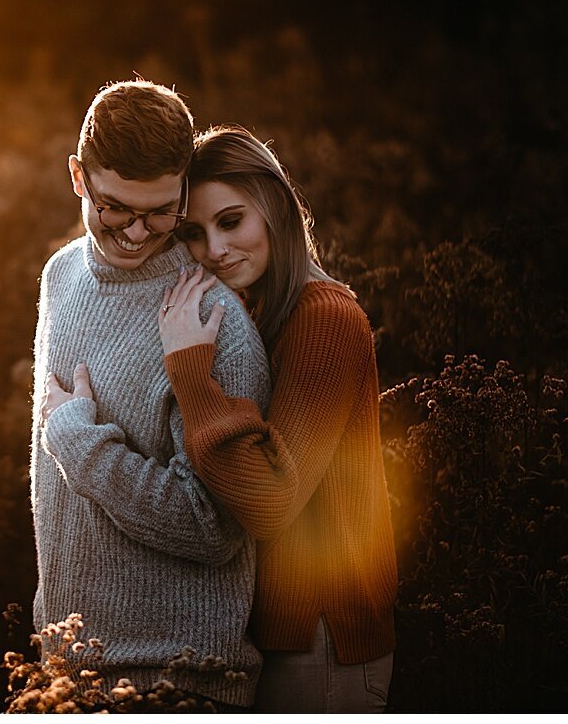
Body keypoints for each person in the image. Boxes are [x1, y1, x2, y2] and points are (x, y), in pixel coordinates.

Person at [30, 80, 270, 708]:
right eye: (116, 209)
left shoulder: (216, 325)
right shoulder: (61, 276)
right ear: (78, 177)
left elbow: (215, 526)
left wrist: (79, 442)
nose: (138, 233)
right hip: (63, 670)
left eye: (162, 212)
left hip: (177, 682)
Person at [156, 124, 398, 712]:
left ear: (276, 209)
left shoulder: (324, 319)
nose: (214, 250)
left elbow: (272, 499)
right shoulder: (264, 313)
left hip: (321, 642)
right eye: (194, 233)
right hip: (276, 638)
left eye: (231, 221)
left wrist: (192, 374)